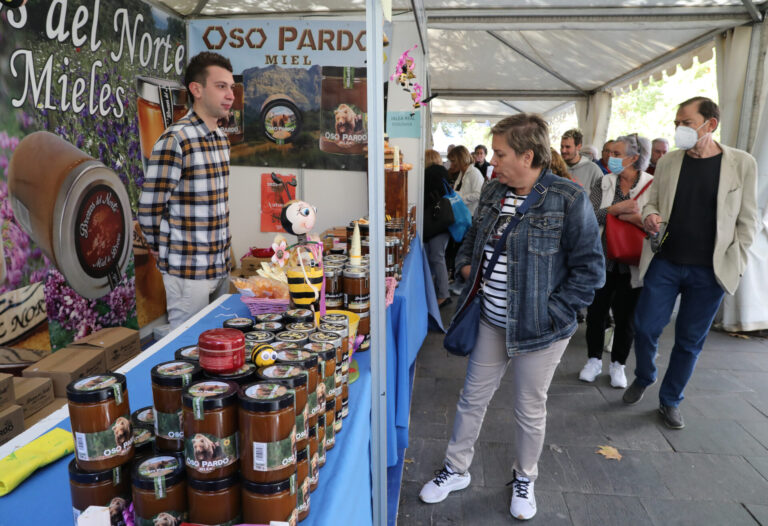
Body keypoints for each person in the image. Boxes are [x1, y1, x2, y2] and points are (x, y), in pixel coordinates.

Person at [419, 114, 604, 520]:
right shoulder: (493, 191)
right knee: (472, 398)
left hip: (541, 331)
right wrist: (467, 269)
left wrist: (554, 314)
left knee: (528, 407)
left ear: (528, 154)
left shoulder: (568, 199)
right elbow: (471, 238)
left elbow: (590, 269)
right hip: (490, 318)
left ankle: (525, 477)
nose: (493, 162)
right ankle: (456, 468)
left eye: (500, 154)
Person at [623, 97, 759, 429]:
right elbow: (652, 202)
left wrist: (735, 260)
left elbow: (747, 220)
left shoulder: (742, 163)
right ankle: (645, 374)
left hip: (710, 270)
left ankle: (670, 400)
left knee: (689, 340)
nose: (679, 128)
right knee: (644, 327)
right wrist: (652, 215)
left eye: (686, 122)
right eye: (676, 123)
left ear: (710, 124)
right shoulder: (669, 162)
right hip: (665, 262)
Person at [138, 52, 236, 329]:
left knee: (215, 341)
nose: (230, 95)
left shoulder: (220, 139)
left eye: (231, 87)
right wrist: (163, 251)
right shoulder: (175, 140)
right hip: (188, 270)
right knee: (185, 347)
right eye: (221, 86)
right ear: (196, 90)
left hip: (219, 266)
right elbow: (149, 208)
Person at [579, 134, 653, 388]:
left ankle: (618, 364)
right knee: (596, 313)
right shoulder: (605, 181)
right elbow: (590, 216)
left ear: (633, 157)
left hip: (634, 261)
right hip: (602, 258)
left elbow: (655, 222)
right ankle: (593, 360)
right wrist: (615, 211)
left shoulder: (652, 184)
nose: (611, 158)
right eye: (610, 153)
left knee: (626, 318)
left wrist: (631, 218)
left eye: (617, 154)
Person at [423, 149, 453, 308]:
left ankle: (443, 295)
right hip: (443, 221)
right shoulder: (443, 172)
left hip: (435, 222)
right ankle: (440, 291)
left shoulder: (429, 174)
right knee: (437, 257)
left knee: (436, 257)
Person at [448, 145, 484, 215]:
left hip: (471, 215)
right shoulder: (461, 172)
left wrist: (460, 199)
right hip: (462, 213)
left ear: (460, 159)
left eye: (453, 161)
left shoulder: (474, 173)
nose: (451, 165)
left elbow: (478, 194)